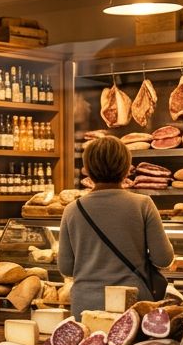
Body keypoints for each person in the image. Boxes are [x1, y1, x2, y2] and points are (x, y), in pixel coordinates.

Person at [59, 135, 175, 320]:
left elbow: (66, 268)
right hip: (132, 305)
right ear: (126, 168)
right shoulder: (142, 204)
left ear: (87, 169)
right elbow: (163, 259)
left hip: (86, 307)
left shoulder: (72, 209)